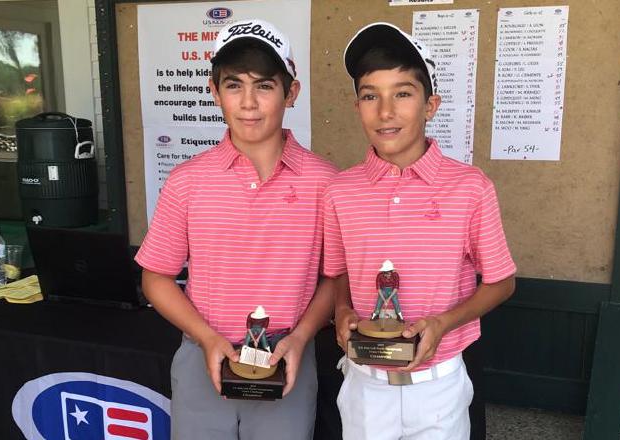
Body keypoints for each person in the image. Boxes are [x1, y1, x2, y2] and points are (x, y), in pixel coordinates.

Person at [135, 19, 338, 440]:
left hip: (287, 357)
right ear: (213, 90)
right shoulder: (188, 180)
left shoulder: (325, 183)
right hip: (201, 352)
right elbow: (156, 277)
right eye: (234, 85)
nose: (248, 102)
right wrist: (207, 339)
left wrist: (301, 337)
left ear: (291, 92)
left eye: (264, 85)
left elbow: (337, 279)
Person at [323, 22, 517, 439]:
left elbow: (501, 283)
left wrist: (444, 322)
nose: (386, 111)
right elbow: (337, 272)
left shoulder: (470, 187)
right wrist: (341, 311)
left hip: (439, 389)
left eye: (403, 94)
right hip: (364, 386)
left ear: (431, 105)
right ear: (357, 106)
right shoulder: (340, 191)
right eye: (370, 95)